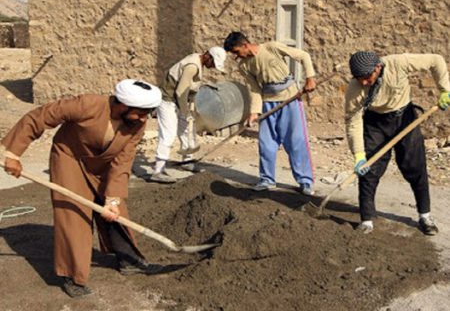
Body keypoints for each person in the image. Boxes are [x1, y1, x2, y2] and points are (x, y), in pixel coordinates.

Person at [2, 79, 165, 298]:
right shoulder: (86, 105)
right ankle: (71, 275)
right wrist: (12, 154)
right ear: (123, 104)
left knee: (116, 213)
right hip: (70, 158)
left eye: (149, 113)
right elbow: (39, 117)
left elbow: (123, 161)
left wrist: (113, 199)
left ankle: (129, 260)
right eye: (141, 112)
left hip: (103, 164)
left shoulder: (137, 124)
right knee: (74, 214)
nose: (145, 118)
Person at [345, 51, 450, 235]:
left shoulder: (398, 63)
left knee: (415, 167)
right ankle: (367, 219)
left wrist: (444, 90)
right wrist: (359, 155)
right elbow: (353, 120)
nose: (363, 82)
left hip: (405, 119)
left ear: (377, 67)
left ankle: (425, 216)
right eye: (359, 78)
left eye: (367, 77)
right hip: (375, 123)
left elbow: (436, 60)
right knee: (369, 170)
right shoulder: (355, 88)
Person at [223, 31, 316, 195]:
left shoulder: (271, 48)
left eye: (237, 52)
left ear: (245, 45)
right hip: (268, 102)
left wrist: (310, 78)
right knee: (266, 143)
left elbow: (303, 56)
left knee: (296, 141)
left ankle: (305, 181)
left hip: (290, 98)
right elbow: (254, 89)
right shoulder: (244, 66)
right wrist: (254, 112)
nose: (237, 56)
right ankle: (267, 179)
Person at [150, 46, 227, 183]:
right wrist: (185, 111)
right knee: (168, 134)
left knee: (186, 130)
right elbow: (180, 91)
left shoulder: (198, 62)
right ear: (208, 56)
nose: (213, 67)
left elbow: (188, 90)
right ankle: (158, 170)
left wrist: (189, 109)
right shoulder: (192, 66)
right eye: (213, 63)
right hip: (168, 101)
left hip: (179, 101)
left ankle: (187, 161)